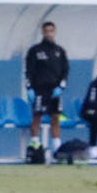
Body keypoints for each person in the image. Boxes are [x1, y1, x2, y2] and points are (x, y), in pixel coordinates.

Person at [25, 21, 69, 154]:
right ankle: (35, 143)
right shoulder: (35, 50)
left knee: (55, 117)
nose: (49, 33)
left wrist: (61, 86)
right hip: (39, 89)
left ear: (55, 32)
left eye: (51, 31)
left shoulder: (59, 51)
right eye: (46, 31)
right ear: (42, 32)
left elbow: (65, 70)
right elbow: (29, 70)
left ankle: (56, 145)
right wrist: (29, 88)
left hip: (54, 90)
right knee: (37, 115)